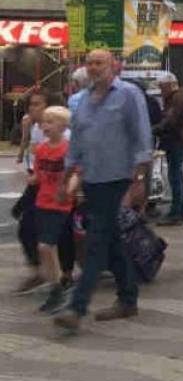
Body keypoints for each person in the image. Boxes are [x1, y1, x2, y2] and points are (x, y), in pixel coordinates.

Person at [54, 49, 152, 333]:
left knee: (96, 240)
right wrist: (66, 181)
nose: (94, 68)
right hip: (93, 179)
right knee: (110, 240)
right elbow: (76, 146)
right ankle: (128, 299)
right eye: (90, 63)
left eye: (100, 63)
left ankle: (77, 307)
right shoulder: (81, 101)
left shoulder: (129, 94)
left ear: (114, 66)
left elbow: (142, 136)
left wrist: (140, 178)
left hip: (119, 178)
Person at [24, 106, 75, 313]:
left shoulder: (68, 149)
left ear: (63, 126)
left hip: (60, 204)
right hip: (42, 202)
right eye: (44, 122)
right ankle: (58, 285)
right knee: (45, 247)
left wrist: (69, 190)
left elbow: (75, 174)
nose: (45, 126)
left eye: (51, 122)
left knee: (46, 246)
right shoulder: (42, 150)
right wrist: (31, 179)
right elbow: (38, 175)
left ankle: (59, 288)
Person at [153, 72, 183, 226]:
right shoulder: (177, 97)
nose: (161, 90)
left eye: (162, 87)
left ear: (170, 85)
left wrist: (155, 129)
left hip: (176, 141)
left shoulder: (178, 98)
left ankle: (176, 212)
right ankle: (178, 211)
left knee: (175, 176)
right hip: (176, 140)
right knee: (176, 175)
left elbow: (171, 120)